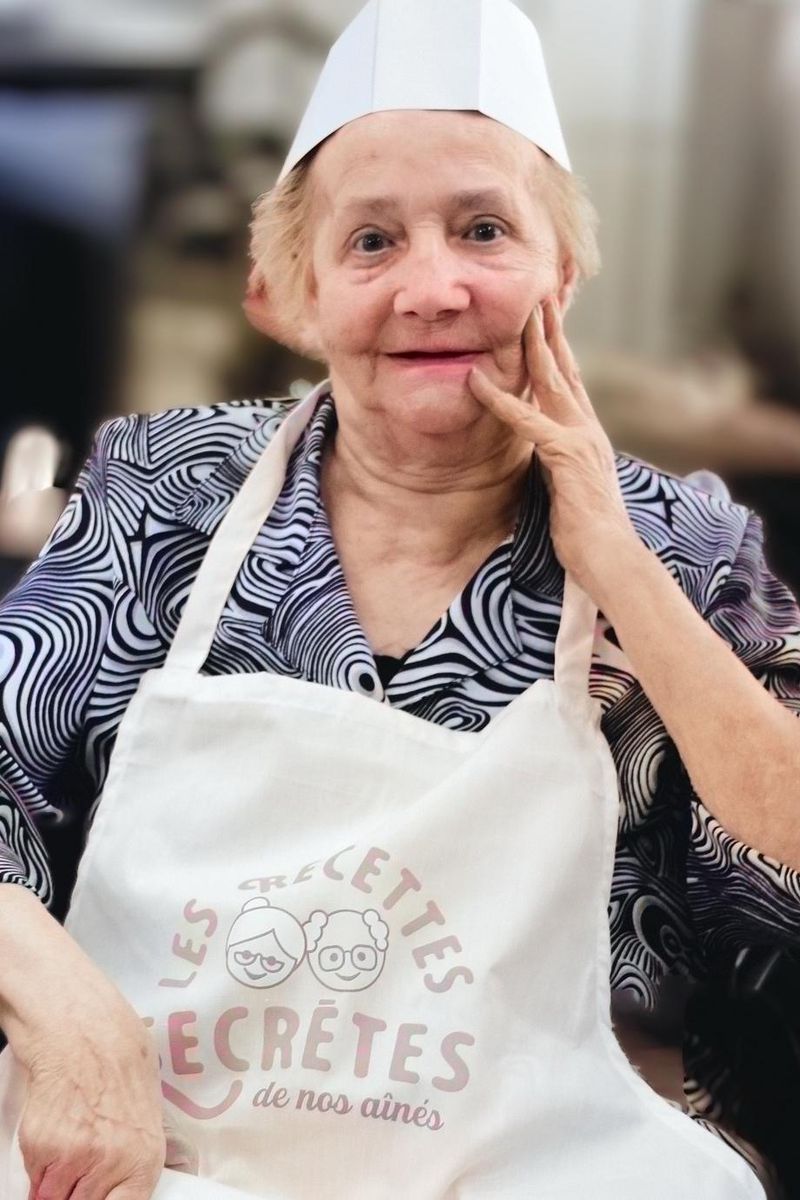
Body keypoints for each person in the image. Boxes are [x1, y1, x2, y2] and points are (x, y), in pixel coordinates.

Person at [0, 1, 799, 1197]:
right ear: (291, 298)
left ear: (562, 272)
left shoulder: (685, 541)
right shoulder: (164, 487)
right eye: (370, 243)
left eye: (482, 229)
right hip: (144, 1159)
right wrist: (64, 1011)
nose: (432, 288)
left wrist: (618, 566)